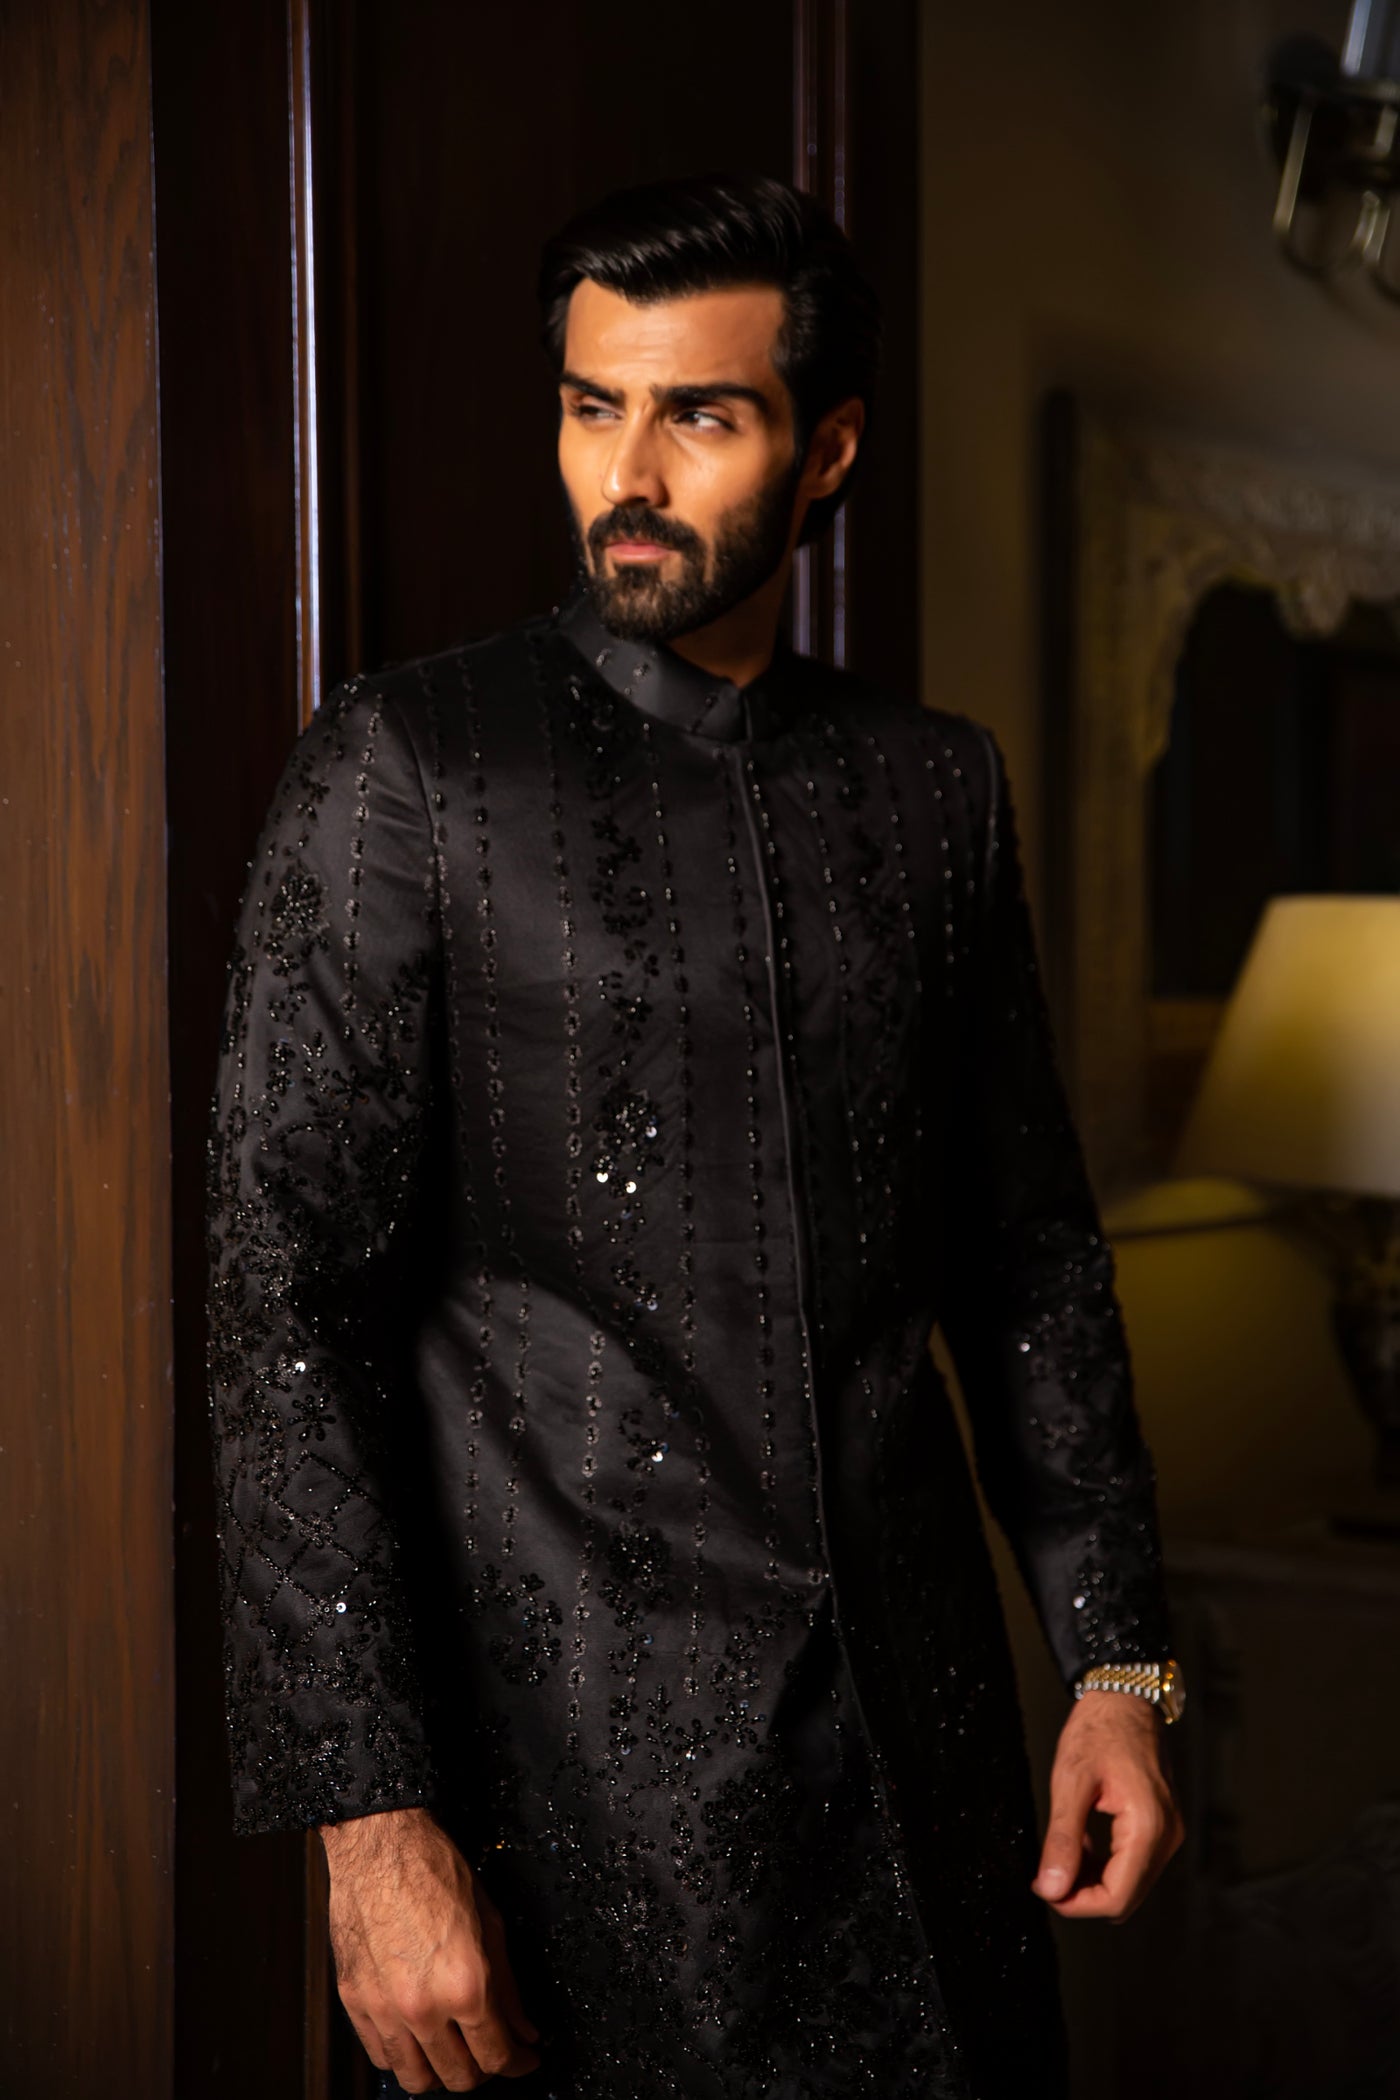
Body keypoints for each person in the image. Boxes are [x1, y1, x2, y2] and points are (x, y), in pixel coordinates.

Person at [206, 172, 1183, 2100]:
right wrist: (369, 1828)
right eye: (592, 407)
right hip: (564, 1812)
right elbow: (281, 1311)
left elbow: (1033, 1264)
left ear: (830, 450)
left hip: (927, 1781)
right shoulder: (407, 770)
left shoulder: (935, 790)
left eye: (699, 416)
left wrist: (1120, 1667)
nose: (627, 475)